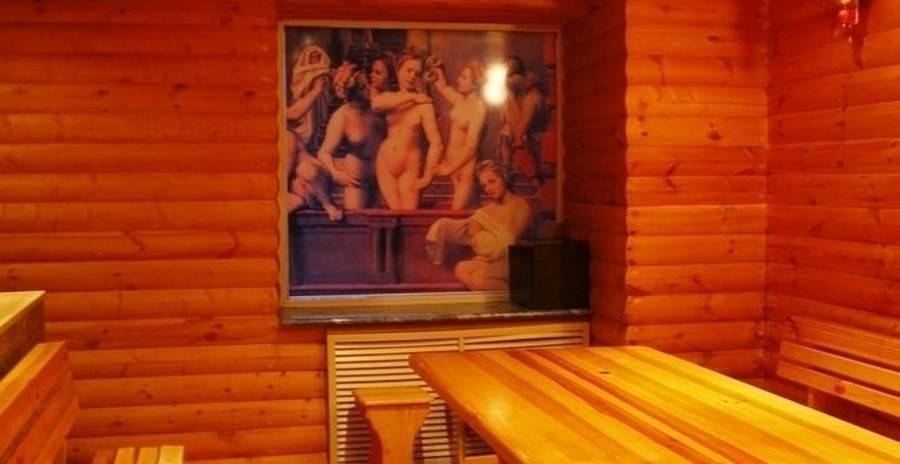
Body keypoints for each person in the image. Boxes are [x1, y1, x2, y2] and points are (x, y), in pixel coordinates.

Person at [425, 160, 533, 290]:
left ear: (504, 178)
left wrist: (477, 236)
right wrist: (444, 225)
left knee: (479, 278)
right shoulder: (489, 208)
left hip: (511, 260)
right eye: (484, 186)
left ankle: (510, 293)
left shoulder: (520, 206)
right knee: (461, 268)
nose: (488, 189)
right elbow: (466, 228)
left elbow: (504, 246)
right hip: (491, 260)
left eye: (492, 182)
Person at [371, 49, 444, 210]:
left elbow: (436, 143)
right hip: (385, 162)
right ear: (398, 70)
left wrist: (427, 177)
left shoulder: (425, 105)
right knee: (394, 215)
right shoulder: (389, 98)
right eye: (408, 70)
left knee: (408, 214)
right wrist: (412, 97)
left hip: (410, 165)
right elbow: (376, 105)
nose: (412, 76)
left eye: (417, 74)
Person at [315, 62, 386, 210]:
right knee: (358, 220)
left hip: (382, 175)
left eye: (368, 84)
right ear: (351, 90)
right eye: (363, 87)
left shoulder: (379, 108)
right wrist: (336, 174)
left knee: (381, 219)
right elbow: (324, 152)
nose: (369, 89)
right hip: (357, 179)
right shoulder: (342, 116)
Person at [284, 44, 342, 221]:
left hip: (309, 179)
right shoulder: (286, 132)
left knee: (309, 172)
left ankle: (327, 204)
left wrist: (318, 87)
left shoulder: (290, 136)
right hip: (294, 185)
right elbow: (293, 113)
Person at [427, 58, 487, 210]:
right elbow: (443, 87)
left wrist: (449, 168)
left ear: (475, 84)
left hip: (466, 167)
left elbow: (471, 146)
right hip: (454, 164)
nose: (458, 79)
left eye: (464, 77)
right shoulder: (461, 100)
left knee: (458, 210)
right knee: (470, 209)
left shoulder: (478, 108)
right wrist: (437, 67)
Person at [498, 55, 549, 187]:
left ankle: (533, 177)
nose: (508, 68)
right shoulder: (512, 92)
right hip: (517, 130)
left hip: (529, 132)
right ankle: (508, 167)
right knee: (506, 132)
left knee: (518, 140)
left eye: (510, 65)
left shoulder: (529, 89)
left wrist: (518, 136)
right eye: (506, 66)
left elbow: (524, 120)